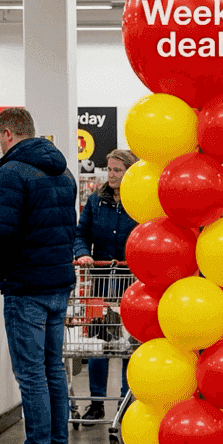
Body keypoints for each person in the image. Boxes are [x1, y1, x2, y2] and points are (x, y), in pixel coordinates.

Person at [0, 107, 77, 444]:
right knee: (52, 370)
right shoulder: (64, 170)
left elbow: (2, 233)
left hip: (26, 287)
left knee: (30, 374)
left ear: (9, 133)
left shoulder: (12, 172)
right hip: (58, 284)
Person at [74, 148, 138, 421]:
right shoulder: (95, 201)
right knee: (99, 344)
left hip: (132, 283)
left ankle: (128, 403)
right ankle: (97, 403)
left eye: (117, 170)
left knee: (129, 345)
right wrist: (82, 253)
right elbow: (80, 234)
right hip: (100, 281)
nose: (111, 175)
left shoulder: (140, 201)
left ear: (130, 172)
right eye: (109, 170)